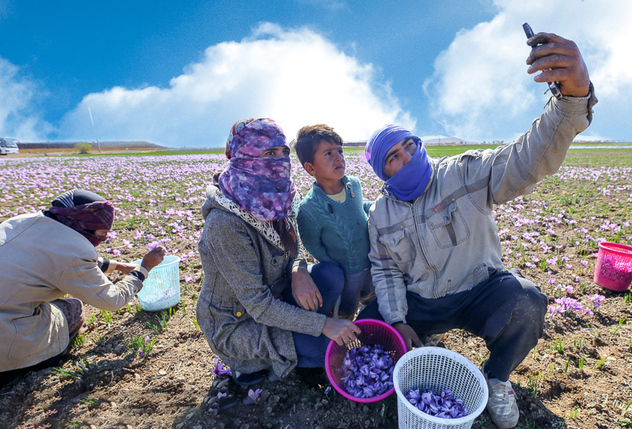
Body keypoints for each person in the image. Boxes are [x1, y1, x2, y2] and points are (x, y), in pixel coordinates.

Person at [357, 32, 596, 429]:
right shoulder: (381, 215)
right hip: (425, 300)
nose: (406, 158)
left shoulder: (462, 174)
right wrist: (398, 321)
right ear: (383, 173)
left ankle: (497, 377)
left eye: (408, 147)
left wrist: (570, 101)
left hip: (478, 289)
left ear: (419, 146)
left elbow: (524, 159)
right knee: (373, 325)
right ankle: (421, 337)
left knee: (526, 302)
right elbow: (384, 271)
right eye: (392, 159)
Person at [195, 118, 361, 389]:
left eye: (284, 153)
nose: (281, 161)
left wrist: (298, 269)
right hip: (241, 323)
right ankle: (250, 364)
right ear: (244, 158)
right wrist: (324, 325)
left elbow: (294, 249)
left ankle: (300, 351)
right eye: (270, 154)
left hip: (278, 297)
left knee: (330, 274)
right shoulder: (225, 223)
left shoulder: (278, 199)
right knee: (334, 351)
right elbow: (258, 305)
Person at [0, 189, 166, 373]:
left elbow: (51, 259)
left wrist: (118, 265)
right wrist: (143, 269)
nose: (102, 239)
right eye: (102, 233)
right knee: (73, 309)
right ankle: (36, 360)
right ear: (83, 225)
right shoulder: (73, 252)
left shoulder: (21, 222)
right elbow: (112, 300)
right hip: (6, 339)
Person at [295, 124, 375, 320]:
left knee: (373, 298)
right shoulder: (310, 208)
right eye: (328, 153)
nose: (339, 157)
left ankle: (372, 321)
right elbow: (312, 244)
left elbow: (359, 208)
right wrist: (335, 264)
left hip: (373, 261)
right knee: (347, 307)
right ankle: (345, 334)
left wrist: (378, 206)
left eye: (340, 151)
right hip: (347, 273)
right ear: (310, 168)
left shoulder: (354, 184)